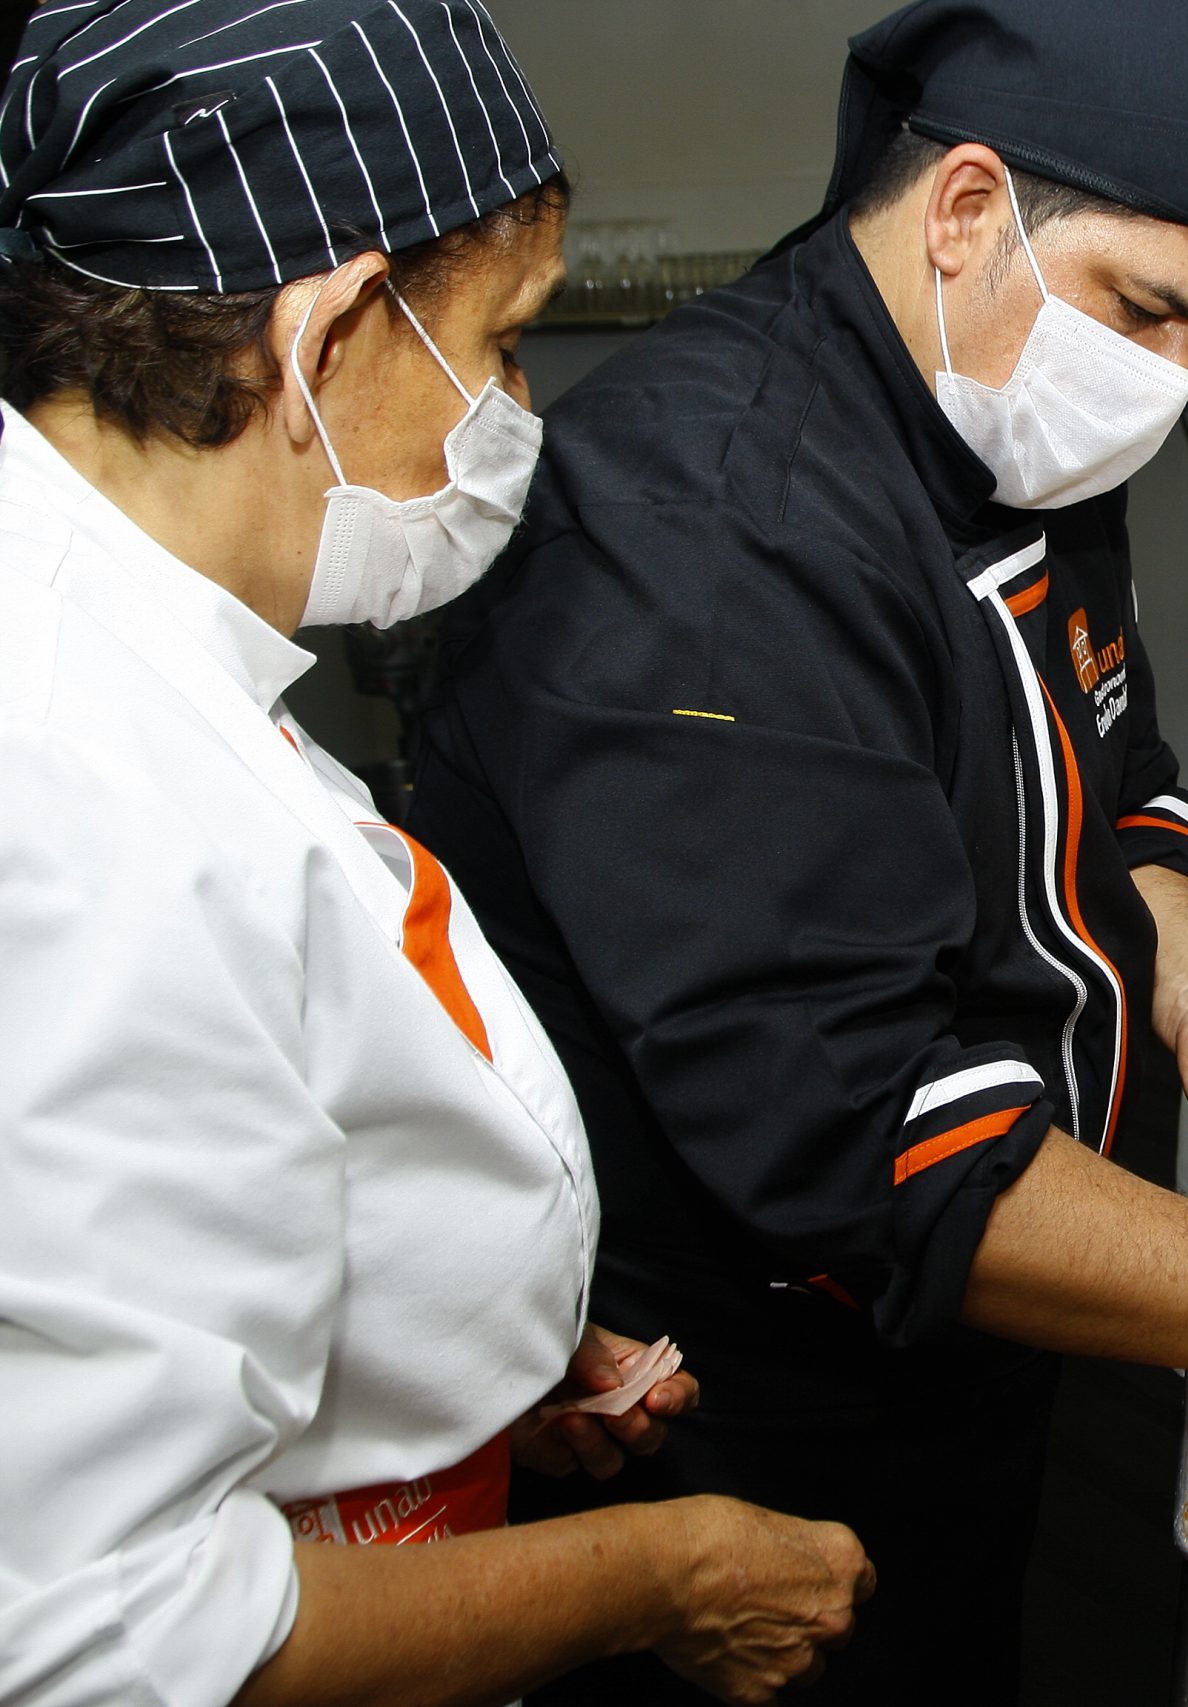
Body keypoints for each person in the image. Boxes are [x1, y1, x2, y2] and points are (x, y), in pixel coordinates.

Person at [407, 0, 1188, 1697]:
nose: (1162, 375)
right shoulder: (708, 529)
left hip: (1016, 1288)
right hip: (740, 1383)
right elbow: (856, 1132)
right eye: (1146, 308)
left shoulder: (1009, 392)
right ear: (967, 210)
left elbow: (1119, 766)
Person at [0, 5, 872, 1702]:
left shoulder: (132, 642)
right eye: (503, 338)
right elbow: (102, 1634)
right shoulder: (91, 806)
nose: (509, 410)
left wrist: (444, 1335)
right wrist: (659, 1572)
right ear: (322, 332)